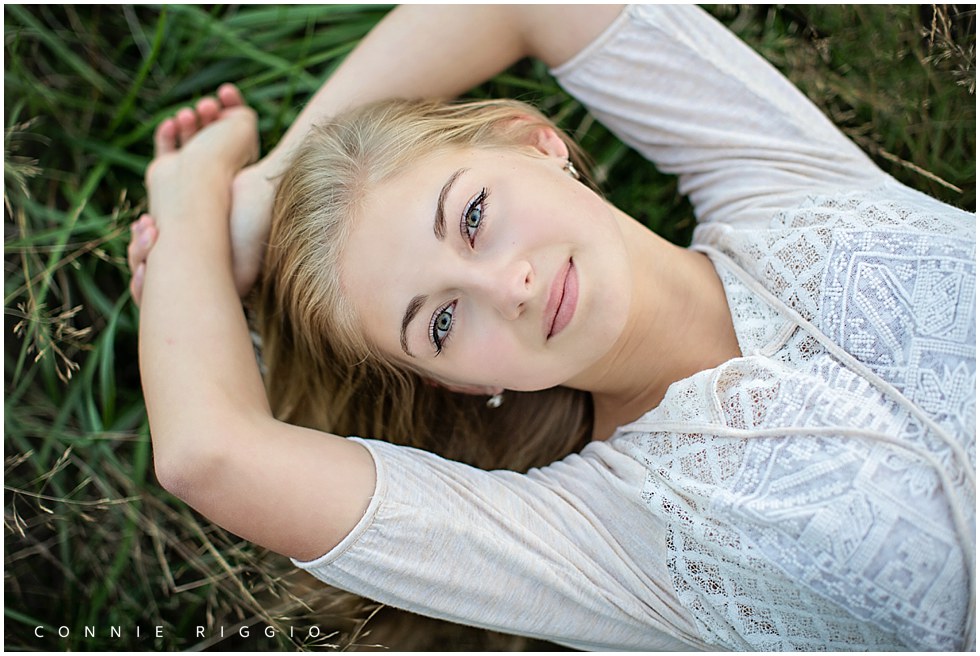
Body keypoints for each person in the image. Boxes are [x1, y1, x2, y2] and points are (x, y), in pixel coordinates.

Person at [131, 5, 975, 651]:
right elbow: (211, 452)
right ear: (461, 382)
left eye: (473, 216)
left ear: (534, 144)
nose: (509, 285)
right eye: (444, 321)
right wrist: (187, 205)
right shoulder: (612, 535)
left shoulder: (780, 181)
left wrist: (266, 192)